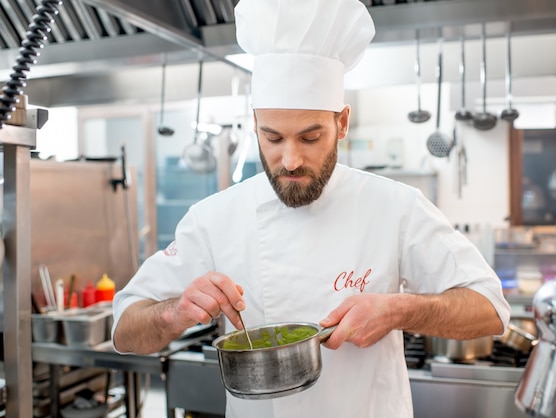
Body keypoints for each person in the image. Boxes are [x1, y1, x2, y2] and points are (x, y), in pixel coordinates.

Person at [112, 0, 511, 417]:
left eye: (309, 136)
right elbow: (125, 330)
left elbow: (490, 308)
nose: (289, 160)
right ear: (254, 124)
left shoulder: (395, 206)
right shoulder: (214, 218)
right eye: (272, 137)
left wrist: (399, 310)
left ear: (341, 123)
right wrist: (174, 313)